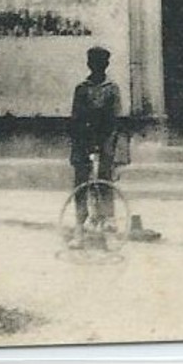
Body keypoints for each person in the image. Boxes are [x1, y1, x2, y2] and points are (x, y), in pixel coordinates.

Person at [69, 46, 122, 233]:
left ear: (106, 64)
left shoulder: (112, 89)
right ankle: (80, 221)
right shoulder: (81, 89)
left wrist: (106, 143)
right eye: (93, 62)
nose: (97, 66)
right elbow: (76, 118)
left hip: (105, 139)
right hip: (84, 141)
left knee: (104, 179)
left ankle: (108, 217)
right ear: (88, 64)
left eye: (101, 63)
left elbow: (114, 119)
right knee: (82, 182)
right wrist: (82, 142)